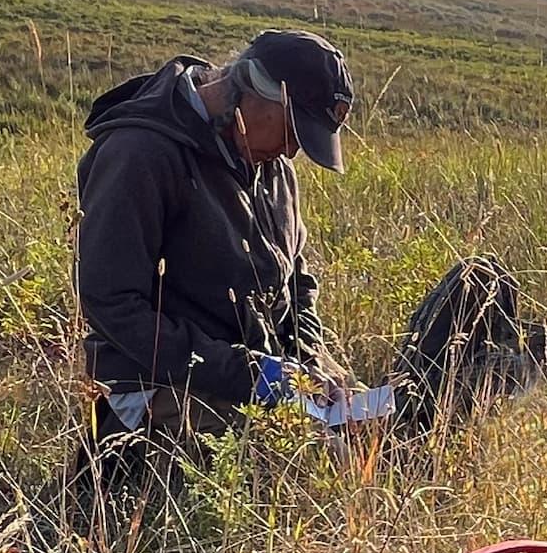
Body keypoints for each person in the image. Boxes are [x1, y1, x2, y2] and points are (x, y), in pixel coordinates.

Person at [73, 29, 355, 479]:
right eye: (293, 129)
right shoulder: (139, 153)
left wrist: (311, 357)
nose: (293, 150)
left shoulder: (269, 162)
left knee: (369, 434)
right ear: (251, 90)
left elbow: (297, 281)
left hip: (259, 375)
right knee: (320, 464)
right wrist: (252, 376)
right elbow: (112, 305)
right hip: (158, 381)